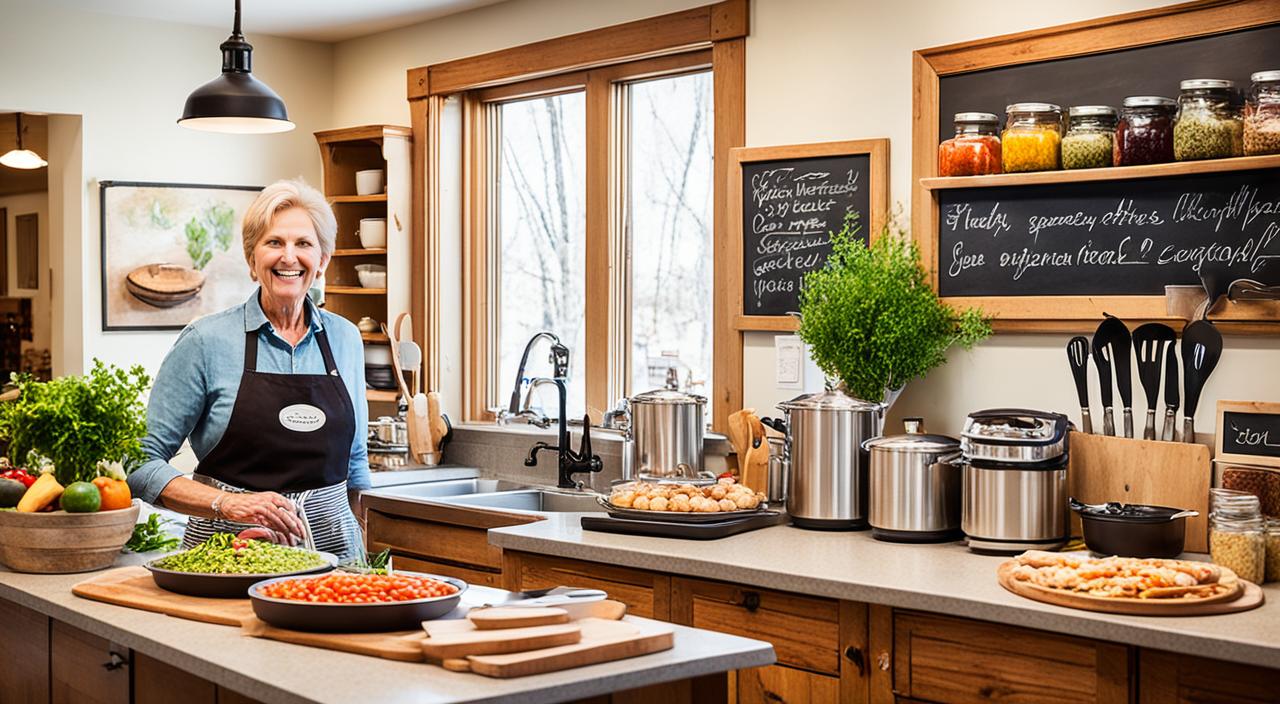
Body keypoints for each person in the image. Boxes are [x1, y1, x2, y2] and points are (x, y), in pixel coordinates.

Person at [128, 179, 370, 560]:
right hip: (227, 557)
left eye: (303, 244)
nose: (289, 257)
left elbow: (355, 462)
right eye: (274, 242)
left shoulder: (345, 339)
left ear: (322, 259)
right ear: (251, 259)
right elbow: (140, 462)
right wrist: (227, 503)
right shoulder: (206, 341)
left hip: (336, 562)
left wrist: (363, 553)